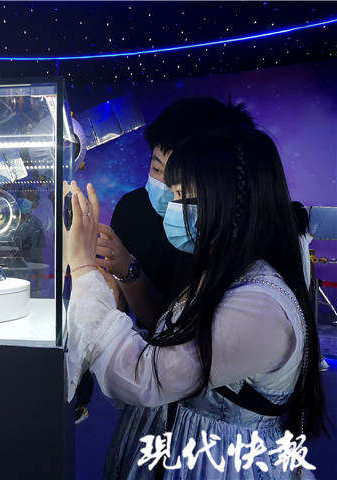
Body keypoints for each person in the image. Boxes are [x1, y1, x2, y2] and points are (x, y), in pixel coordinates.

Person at [65, 127, 327, 479]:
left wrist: (83, 266)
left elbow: (144, 377)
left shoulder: (259, 306)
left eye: (180, 197)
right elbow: (170, 346)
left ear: (224, 203)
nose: (170, 210)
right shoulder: (223, 272)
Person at [73, 97, 256, 423]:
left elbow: (149, 376)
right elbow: (158, 326)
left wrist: (82, 266)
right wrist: (119, 271)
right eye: (156, 168)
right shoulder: (133, 208)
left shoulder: (246, 277)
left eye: (176, 178)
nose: (164, 185)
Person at [292, 200, 330, 372]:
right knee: (306, 325)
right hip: (302, 290)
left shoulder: (291, 241)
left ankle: (313, 360)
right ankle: (316, 360)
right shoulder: (304, 238)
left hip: (294, 289)